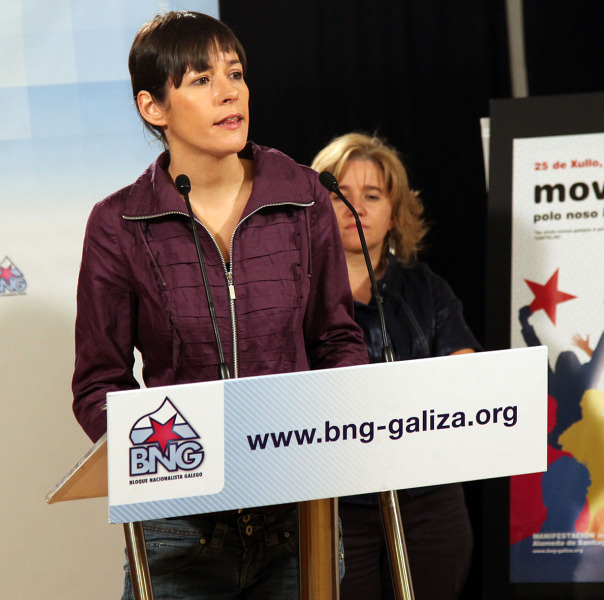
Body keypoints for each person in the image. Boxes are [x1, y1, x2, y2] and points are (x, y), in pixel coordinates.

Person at [70, 12, 368, 599]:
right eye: (202, 80)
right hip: (179, 528)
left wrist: (330, 434)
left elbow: (337, 340)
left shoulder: (305, 195)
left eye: (235, 73)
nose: (229, 92)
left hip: (298, 513)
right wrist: (170, 460)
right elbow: (99, 383)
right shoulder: (118, 223)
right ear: (153, 107)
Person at [311, 133, 479, 600]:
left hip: (429, 502)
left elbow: (465, 372)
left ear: (394, 211)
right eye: (340, 194)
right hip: (336, 506)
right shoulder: (295, 294)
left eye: (372, 196)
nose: (355, 207)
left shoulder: (426, 288)